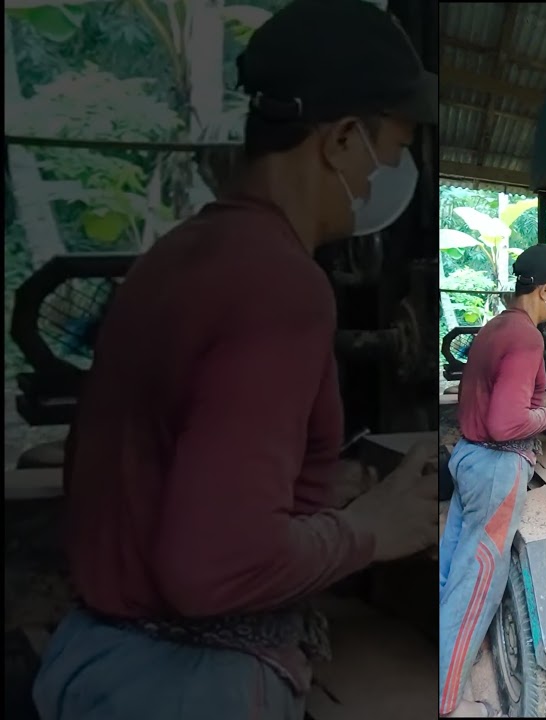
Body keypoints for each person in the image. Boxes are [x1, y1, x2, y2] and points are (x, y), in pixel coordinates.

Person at [31, 1, 438, 718]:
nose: (394, 174)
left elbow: (162, 463)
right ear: (342, 140)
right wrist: (373, 529)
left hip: (97, 658)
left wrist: (304, 489)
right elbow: (213, 568)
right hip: (186, 686)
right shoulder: (281, 284)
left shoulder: (178, 254)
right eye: (396, 150)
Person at [440, 243, 546, 718]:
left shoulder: (496, 327)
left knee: (455, 570)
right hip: (497, 465)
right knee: (480, 579)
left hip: (469, 457)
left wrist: (539, 396)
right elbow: (505, 424)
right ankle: (447, 702)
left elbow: (494, 402)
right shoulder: (527, 338)